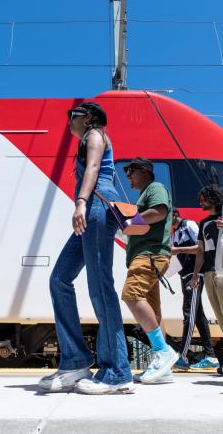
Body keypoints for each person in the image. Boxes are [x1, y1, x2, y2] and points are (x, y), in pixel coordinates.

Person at [39, 102, 133, 395]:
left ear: (89, 118)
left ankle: (117, 371)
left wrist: (81, 201)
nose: (69, 121)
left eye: (73, 116)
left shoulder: (95, 135)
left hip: (96, 207)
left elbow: (93, 167)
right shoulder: (88, 138)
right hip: (93, 208)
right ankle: (76, 361)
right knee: (59, 279)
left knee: (100, 286)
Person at [121, 157, 178, 384]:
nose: (127, 176)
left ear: (144, 171)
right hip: (150, 255)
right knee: (154, 311)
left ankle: (163, 351)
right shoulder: (145, 193)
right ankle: (163, 367)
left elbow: (160, 212)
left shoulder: (155, 188)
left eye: (130, 170)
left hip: (150, 255)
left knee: (132, 295)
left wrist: (128, 221)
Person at [171, 208, 217, 369]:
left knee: (188, 314)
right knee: (198, 315)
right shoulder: (174, 233)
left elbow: (199, 248)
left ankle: (183, 357)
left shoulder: (189, 225)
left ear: (174, 214)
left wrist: (178, 250)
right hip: (185, 276)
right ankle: (210, 355)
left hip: (193, 276)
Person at [190, 186, 223, 370]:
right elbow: (200, 251)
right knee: (220, 316)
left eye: (203, 199)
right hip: (209, 274)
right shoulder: (203, 223)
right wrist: (196, 275)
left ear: (212, 199)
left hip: (222, 271)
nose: (200, 202)